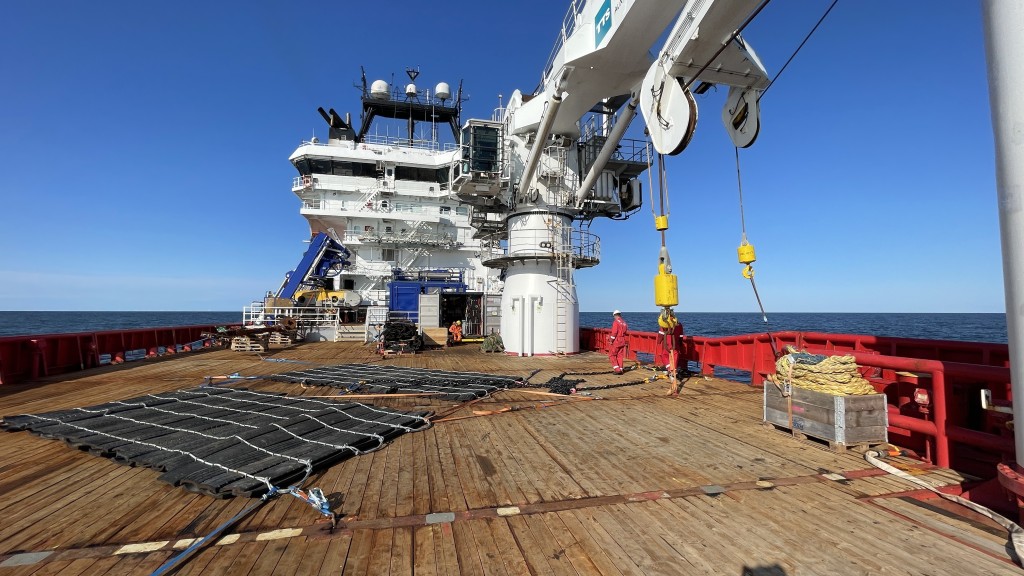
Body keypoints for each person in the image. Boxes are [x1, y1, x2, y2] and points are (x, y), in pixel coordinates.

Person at [608, 310, 628, 374]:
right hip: (623, 340)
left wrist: (611, 340)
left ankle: (617, 369)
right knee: (620, 355)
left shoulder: (616, 322)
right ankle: (621, 369)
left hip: (617, 340)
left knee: (612, 355)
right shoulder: (624, 322)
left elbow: (614, 332)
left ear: (615, 315)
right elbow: (625, 332)